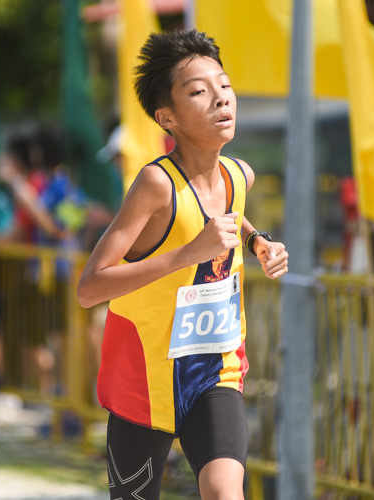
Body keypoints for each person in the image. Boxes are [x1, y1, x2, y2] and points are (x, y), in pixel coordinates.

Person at [77, 29, 289, 500]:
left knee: (224, 493)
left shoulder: (239, 175)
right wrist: (186, 254)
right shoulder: (156, 185)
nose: (220, 99)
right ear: (166, 117)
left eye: (225, 86)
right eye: (199, 91)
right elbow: (90, 288)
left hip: (215, 371)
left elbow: (231, 214)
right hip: (143, 380)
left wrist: (259, 243)